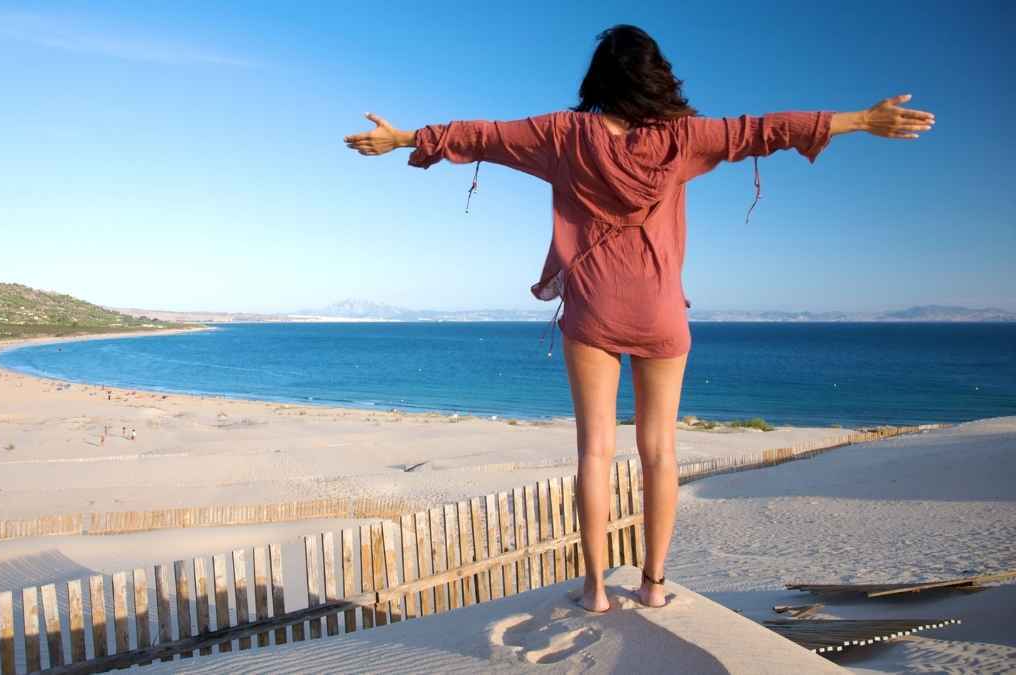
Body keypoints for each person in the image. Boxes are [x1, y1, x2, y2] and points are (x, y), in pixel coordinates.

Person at [344, 24, 934, 611]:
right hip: (660, 312)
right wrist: (860, 119)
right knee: (660, 451)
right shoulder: (685, 139)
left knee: (594, 452)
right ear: (658, 76)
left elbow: (482, 136)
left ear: (598, 76)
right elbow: (764, 130)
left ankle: (596, 590)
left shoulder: (562, 134)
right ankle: (653, 586)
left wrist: (401, 139)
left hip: (592, 307)